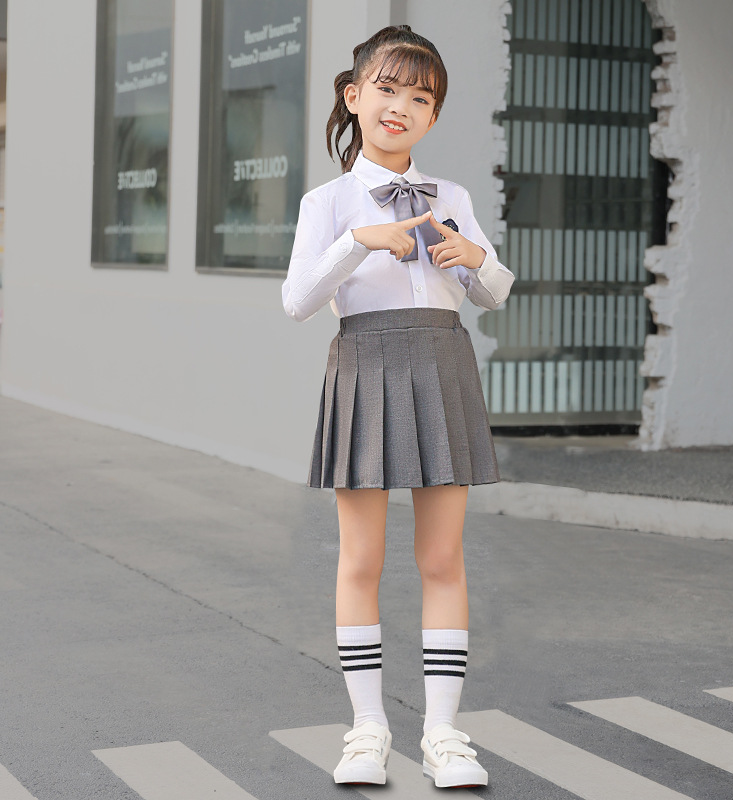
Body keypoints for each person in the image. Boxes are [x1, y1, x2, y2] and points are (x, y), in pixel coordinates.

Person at [282, 24, 514, 789]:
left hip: (443, 363)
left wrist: (477, 259)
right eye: (387, 90)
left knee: (443, 557)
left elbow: (494, 293)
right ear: (355, 96)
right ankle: (368, 729)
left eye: (421, 97)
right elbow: (297, 302)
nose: (401, 107)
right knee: (362, 558)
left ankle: (444, 732)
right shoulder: (328, 201)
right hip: (366, 363)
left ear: (433, 117)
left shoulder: (454, 196)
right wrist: (359, 242)